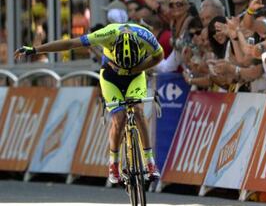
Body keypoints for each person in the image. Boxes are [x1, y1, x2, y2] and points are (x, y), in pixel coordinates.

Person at [15, 23, 164, 184]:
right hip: (111, 75)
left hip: (136, 74)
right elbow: (71, 43)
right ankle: (113, 162)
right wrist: (35, 49)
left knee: (139, 112)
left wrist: (136, 69)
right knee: (119, 118)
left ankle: (150, 162)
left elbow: (159, 57)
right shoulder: (107, 34)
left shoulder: (146, 36)